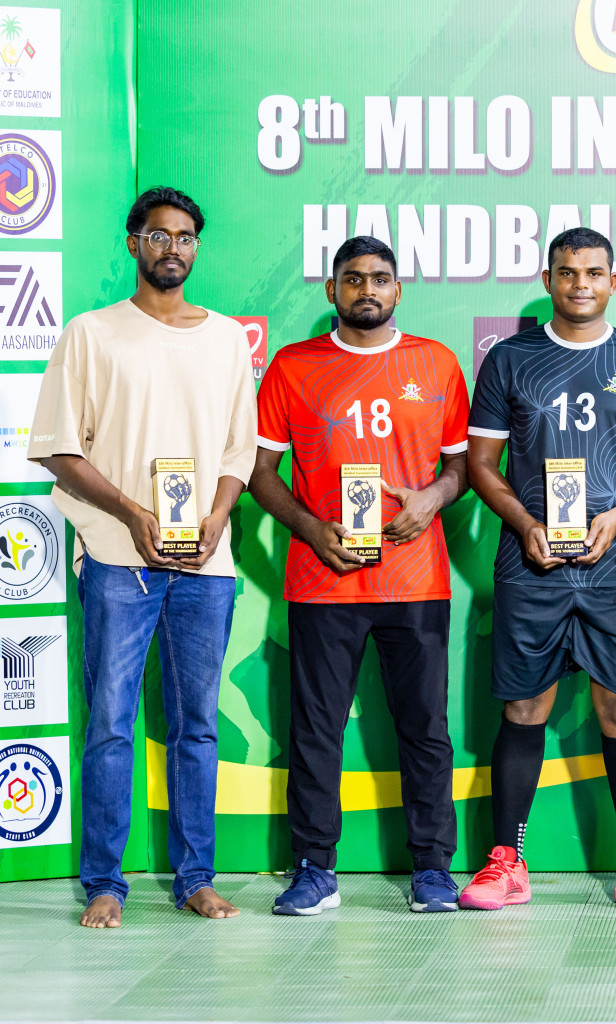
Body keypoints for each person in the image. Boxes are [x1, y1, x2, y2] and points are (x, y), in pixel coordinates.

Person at [29, 187, 256, 927]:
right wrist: (133, 512)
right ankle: (106, 882)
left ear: (197, 247)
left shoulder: (226, 339)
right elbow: (60, 449)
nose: (173, 249)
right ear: (134, 244)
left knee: (197, 726)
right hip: (117, 558)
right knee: (112, 724)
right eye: (159, 236)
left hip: (205, 568)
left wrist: (219, 515)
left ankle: (197, 877)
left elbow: (238, 450)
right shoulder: (91, 334)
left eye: (186, 237)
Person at [459, 228, 616, 912]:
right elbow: (480, 465)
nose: (579, 283)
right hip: (531, 563)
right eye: (566, 272)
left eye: (593, 272)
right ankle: (507, 862)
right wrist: (525, 525)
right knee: (525, 706)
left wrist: (614, 519)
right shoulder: (510, 360)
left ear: (613, 281)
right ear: (548, 279)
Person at [249, 236, 469, 915]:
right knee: (316, 728)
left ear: (398, 290)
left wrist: (432, 497)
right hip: (325, 577)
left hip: (416, 578)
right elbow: (260, 473)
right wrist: (313, 530)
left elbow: (462, 467)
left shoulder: (434, 363)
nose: (366, 289)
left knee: (425, 726)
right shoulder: (292, 366)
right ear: (331, 291)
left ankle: (433, 869)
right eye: (352, 279)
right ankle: (315, 869)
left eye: (379, 278)